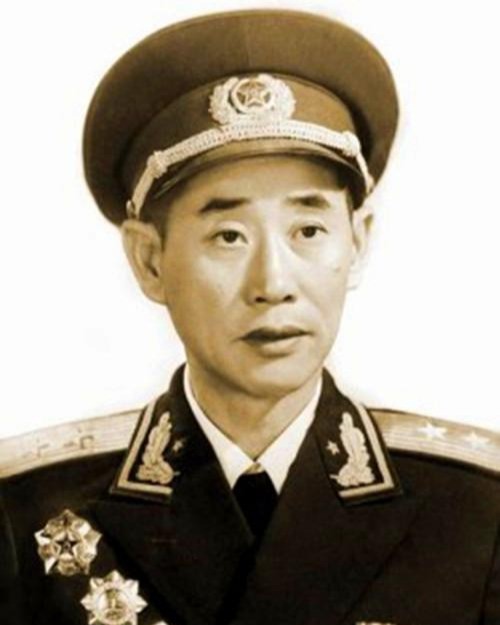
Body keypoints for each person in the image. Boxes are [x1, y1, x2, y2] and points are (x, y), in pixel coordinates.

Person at [0, 9, 499, 625]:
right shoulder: (26, 512)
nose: (273, 284)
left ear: (358, 241)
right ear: (149, 261)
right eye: (228, 236)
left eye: (308, 230)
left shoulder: (478, 511)